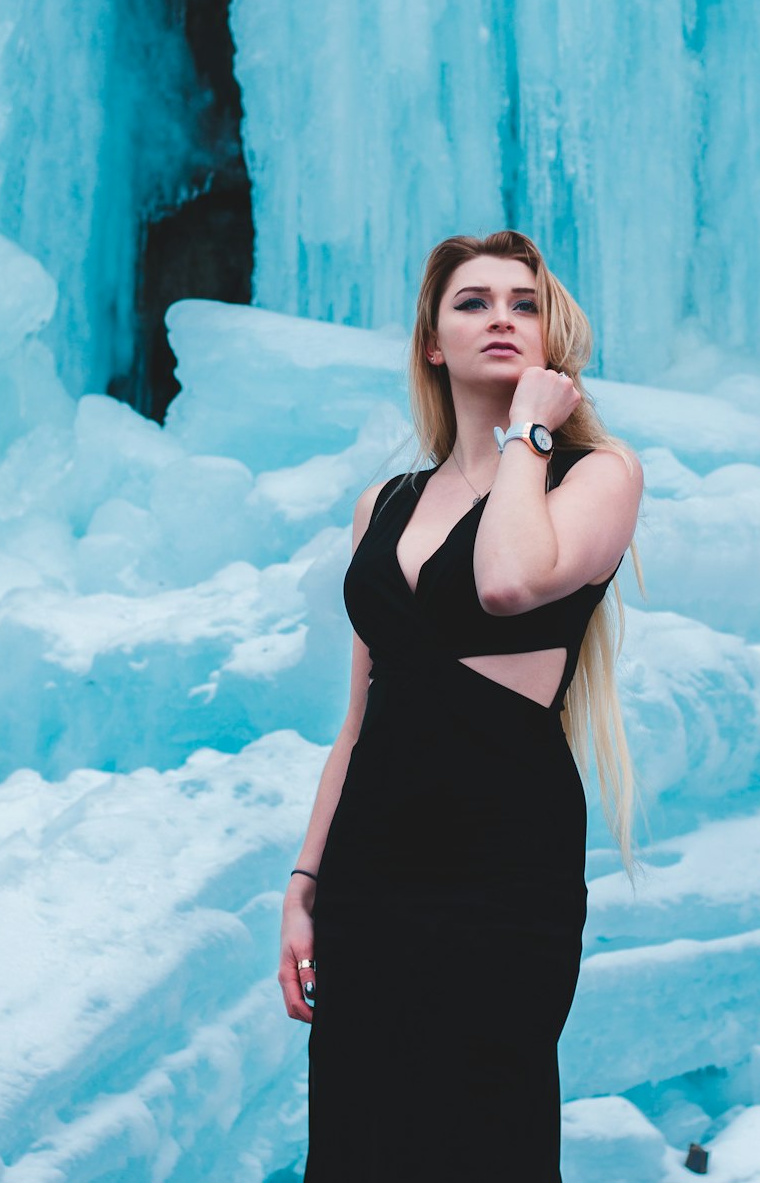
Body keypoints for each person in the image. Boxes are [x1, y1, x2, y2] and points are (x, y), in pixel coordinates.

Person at [278, 228, 646, 1181]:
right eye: (474, 303)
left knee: (483, 1133)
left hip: (502, 861)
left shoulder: (594, 476)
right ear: (432, 342)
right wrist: (306, 883)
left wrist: (528, 430)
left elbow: (507, 582)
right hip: (370, 866)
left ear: (551, 339)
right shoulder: (385, 504)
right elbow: (360, 716)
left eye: (525, 304)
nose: (502, 319)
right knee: (360, 1135)